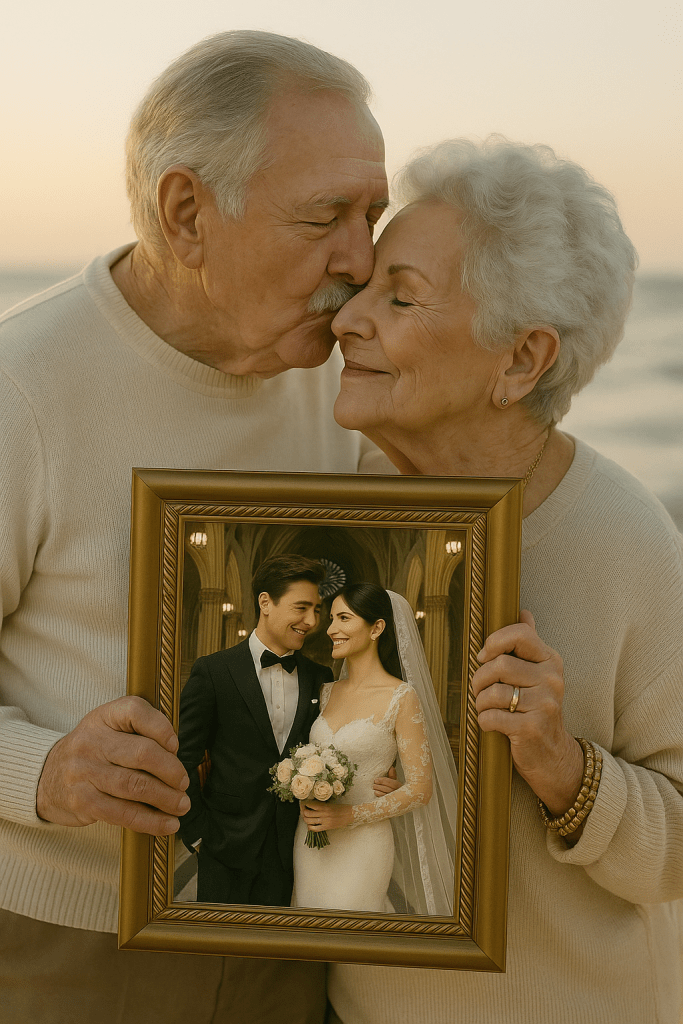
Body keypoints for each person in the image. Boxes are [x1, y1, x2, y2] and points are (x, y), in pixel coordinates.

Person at [0, 30, 389, 1024]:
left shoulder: (347, 385)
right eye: (323, 217)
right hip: (76, 946)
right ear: (186, 212)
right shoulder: (23, 388)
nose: (360, 258)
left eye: (373, 214)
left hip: (303, 930)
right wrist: (44, 770)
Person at [327, 138, 683, 1022]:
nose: (345, 318)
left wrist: (563, 769)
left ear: (520, 360)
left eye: (400, 297)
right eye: (365, 284)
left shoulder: (623, 540)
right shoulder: (323, 508)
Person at [177, 555, 334, 906]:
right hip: (224, 846)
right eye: (302, 608)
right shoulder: (214, 672)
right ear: (266, 602)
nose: (311, 621)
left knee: (272, 955)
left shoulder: (320, 678)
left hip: (292, 847)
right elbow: (182, 758)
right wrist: (199, 835)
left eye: (317, 610)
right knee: (218, 952)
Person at [293, 583, 457, 916]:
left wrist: (348, 815)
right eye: (332, 618)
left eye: (343, 618)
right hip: (311, 841)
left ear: (376, 628)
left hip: (364, 844)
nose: (331, 629)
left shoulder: (401, 697)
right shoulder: (325, 692)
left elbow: (421, 791)